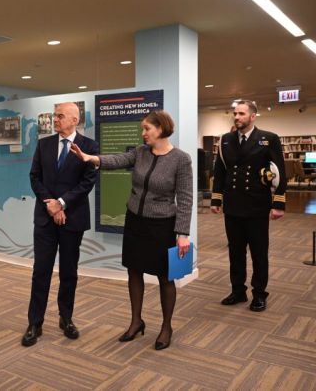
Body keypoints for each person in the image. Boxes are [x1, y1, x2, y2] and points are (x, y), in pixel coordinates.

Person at [71, 110, 192, 350]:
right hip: (135, 220)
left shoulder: (181, 159)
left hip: (162, 224)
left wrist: (183, 234)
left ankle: (166, 327)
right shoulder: (140, 152)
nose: (143, 133)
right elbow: (117, 160)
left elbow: (186, 198)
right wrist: (90, 158)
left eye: (147, 128)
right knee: (134, 271)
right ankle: (136, 321)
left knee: (165, 277)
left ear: (161, 129)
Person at [22, 102, 98, 347]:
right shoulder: (44, 144)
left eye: (60, 116)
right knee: (41, 271)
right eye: (55, 116)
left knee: (69, 272)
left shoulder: (89, 147)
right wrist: (51, 204)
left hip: (72, 218)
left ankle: (66, 318)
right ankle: (35, 322)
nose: (55, 119)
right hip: (45, 218)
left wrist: (62, 203)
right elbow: (35, 177)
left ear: (75, 120)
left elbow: (87, 182)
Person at [210, 100, 286, 312]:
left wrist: (278, 203)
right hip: (233, 205)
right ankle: (238, 291)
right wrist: (216, 199)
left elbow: (280, 172)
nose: (237, 117)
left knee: (258, 253)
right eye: (235, 113)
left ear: (253, 116)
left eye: (241, 114)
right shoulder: (225, 140)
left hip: (257, 205)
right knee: (235, 252)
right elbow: (220, 172)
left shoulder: (268, 139)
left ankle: (259, 294)